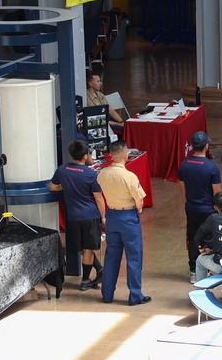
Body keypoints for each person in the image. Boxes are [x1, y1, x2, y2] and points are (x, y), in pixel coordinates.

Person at [98, 139, 150, 305]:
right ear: (126, 155)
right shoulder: (129, 176)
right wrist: (137, 207)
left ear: (111, 155)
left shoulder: (102, 174)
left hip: (111, 215)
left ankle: (107, 295)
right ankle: (135, 295)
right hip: (128, 218)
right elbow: (139, 202)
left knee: (111, 256)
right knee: (134, 256)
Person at [50, 140, 106, 291]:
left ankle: (100, 271)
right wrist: (103, 217)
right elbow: (98, 198)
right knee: (88, 249)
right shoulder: (90, 174)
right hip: (90, 216)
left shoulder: (62, 170)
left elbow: (53, 187)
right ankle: (86, 280)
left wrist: (66, 186)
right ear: (86, 155)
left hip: (73, 216)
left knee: (82, 248)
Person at [179, 131, 222, 282]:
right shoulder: (212, 168)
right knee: (209, 239)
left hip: (191, 208)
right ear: (206, 146)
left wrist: (188, 204)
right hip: (208, 211)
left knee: (193, 238)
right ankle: (206, 269)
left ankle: (193, 271)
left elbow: (183, 190)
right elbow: (217, 193)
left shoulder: (184, 165)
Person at [85, 66, 125, 137]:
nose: (101, 83)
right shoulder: (88, 98)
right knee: (123, 130)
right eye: (98, 81)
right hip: (100, 124)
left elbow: (111, 110)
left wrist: (122, 122)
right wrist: (119, 124)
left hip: (108, 119)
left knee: (127, 127)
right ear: (90, 84)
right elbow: (99, 120)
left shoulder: (100, 94)